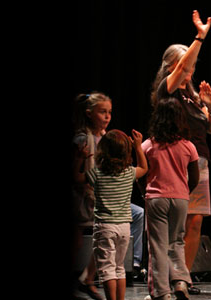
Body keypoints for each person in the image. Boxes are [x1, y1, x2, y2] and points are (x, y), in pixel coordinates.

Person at [149, 12, 211, 288]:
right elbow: (180, 70)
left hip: (199, 160)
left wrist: (210, 106)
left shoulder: (193, 94)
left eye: (191, 66)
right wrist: (200, 36)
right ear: (171, 67)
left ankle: (183, 277)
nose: (189, 70)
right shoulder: (166, 89)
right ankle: (163, 279)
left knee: (195, 220)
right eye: (183, 66)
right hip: (172, 160)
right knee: (170, 223)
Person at [74, 129, 149, 300]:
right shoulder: (129, 173)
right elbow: (144, 168)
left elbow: (76, 178)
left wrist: (80, 157)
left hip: (105, 227)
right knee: (119, 268)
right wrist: (138, 146)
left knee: (107, 270)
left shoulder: (97, 174)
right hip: (124, 228)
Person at [141, 97, 200, 300]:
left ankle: (161, 292)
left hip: (156, 198)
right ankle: (181, 282)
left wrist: (145, 191)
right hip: (180, 199)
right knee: (176, 243)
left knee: (158, 246)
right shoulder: (188, 146)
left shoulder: (147, 146)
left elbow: (141, 173)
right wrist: (183, 192)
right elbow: (195, 178)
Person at [72, 92, 113, 300]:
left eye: (109, 112)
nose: (107, 116)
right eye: (102, 112)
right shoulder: (81, 138)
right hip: (81, 194)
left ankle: (88, 278)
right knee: (77, 241)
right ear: (89, 114)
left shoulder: (106, 138)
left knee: (106, 237)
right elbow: (75, 171)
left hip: (99, 194)